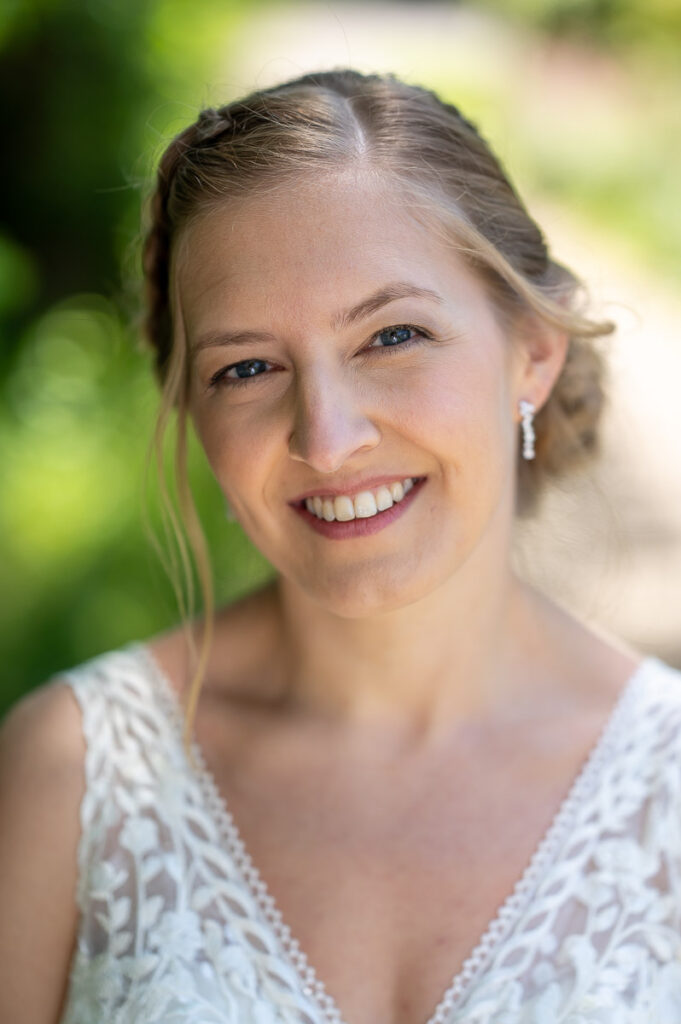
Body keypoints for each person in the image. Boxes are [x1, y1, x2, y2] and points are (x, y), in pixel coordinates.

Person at [1, 68, 680, 1024]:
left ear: (531, 349)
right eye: (245, 367)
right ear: (192, 412)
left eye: (392, 335)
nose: (325, 438)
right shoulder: (69, 776)